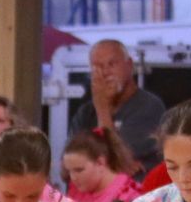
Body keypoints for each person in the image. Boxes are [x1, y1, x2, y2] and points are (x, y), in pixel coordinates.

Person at [69, 39, 167, 178]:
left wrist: (102, 108)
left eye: (112, 64)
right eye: (98, 67)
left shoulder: (149, 106)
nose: (105, 73)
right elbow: (68, 167)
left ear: (129, 65)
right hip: (90, 198)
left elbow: (114, 162)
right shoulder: (85, 113)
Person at [61, 126, 143, 202]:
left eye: (79, 170)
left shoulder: (128, 195)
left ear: (100, 162)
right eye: (69, 171)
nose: (73, 177)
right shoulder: (76, 190)